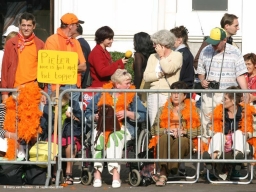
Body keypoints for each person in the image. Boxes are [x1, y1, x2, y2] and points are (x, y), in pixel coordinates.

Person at [85, 69, 146, 188]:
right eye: (127, 83)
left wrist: (128, 113)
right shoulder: (103, 93)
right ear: (117, 84)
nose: (130, 85)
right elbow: (88, 112)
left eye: (130, 82)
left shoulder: (132, 95)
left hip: (123, 127)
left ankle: (115, 174)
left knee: (114, 137)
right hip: (103, 126)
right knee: (98, 136)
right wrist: (95, 117)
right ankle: (97, 173)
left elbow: (143, 115)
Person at [197, 27, 248, 150]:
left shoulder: (235, 52)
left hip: (228, 96)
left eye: (216, 43)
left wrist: (245, 92)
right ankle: (206, 154)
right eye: (212, 43)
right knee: (207, 124)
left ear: (224, 40)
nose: (213, 46)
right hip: (209, 95)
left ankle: (230, 153)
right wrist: (202, 80)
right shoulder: (205, 50)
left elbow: (240, 74)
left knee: (228, 125)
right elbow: (200, 70)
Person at [149, 81, 201, 186]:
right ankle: (164, 173)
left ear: (184, 96)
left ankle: (168, 170)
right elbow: (154, 129)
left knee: (181, 140)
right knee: (164, 139)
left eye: (179, 93)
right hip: (167, 137)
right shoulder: (162, 109)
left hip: (185, 139)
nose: (176, 95)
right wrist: (166, 130)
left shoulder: (193, 109)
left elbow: (200, 130)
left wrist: (184, 132)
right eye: (173, 93)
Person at [203, 86, 254, 181]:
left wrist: (246, 134)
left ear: (233, 100)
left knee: (239, 133)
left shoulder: (244, 112)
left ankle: (238, 156)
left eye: (225, 98)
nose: (222, 100)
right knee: (218, 134)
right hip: (222, 145)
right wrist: (223, 135)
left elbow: (251, 131)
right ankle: (212, 158)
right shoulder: (219, 111)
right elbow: (209, 130)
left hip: (240, 145)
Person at [40, 90, 83, 185]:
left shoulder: (73, 104)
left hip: (69, 132)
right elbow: (44, 124)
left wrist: (72, 117)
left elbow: (81, 122)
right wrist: (53, 117)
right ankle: (55, 172)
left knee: (70, 143)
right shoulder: (48, 106)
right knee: (52, 142)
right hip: (54, 133)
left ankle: (69, 172)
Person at [1, 12, 45, 103]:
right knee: (14, 117)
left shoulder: (40, 44)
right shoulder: (11, 43)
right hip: (14, 91)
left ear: (34, 26)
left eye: (29, 25)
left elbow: (44, 70)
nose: (26, 28)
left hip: (33, 92)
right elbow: (5, 69)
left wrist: (44, 91)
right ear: (20, 26)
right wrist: (4, 93)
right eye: (23, 25)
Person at [143, 29, 182, 126]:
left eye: (155, 44)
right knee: (154, 124)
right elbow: (146, 77)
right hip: (153, 93)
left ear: (163, 44)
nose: (153, 46)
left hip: (168, 94)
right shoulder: (152, 56)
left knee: (166, 123)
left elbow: (168, 69)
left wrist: (161, 56)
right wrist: (159, 74)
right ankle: (154, 140)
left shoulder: (177, 55)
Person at [44, 13, 86, 101]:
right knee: (55, 113)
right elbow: (52, 66)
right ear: (70, 26)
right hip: (57, 86)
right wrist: (74, 62)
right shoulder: (52, 40)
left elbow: (83, 66)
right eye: (77, 25)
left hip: (73, 86)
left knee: (73, 114)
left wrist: (65, 65)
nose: (78, 27)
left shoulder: (76, 42)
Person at [72, 24, 92, 88]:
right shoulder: (83, 42)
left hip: (80, 82)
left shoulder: (80, 44)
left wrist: (79, 84)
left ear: (75, 31)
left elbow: (82, 63)